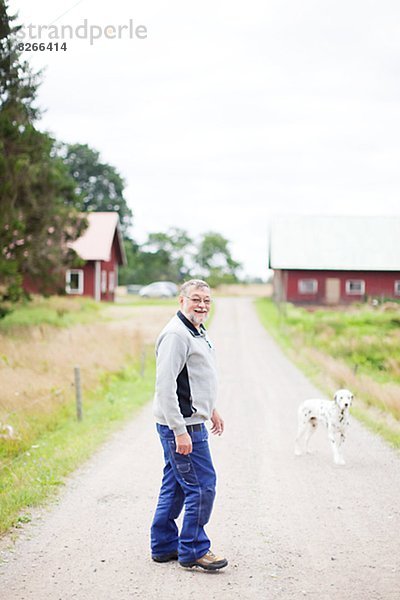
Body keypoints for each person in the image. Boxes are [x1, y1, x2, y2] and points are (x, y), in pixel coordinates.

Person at [150, 279, 228, 571]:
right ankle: (194, 549)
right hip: (183, 427)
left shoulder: (196, 330)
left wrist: (211, 409)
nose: (202, 305)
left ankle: (164, 545)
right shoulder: (176, 335)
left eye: (207, 300)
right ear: (181, 300)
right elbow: (166, 386)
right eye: (196, 299)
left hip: (193, 420)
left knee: (177, 486)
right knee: (202, 486)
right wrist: (180, 430)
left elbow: (194, 380)